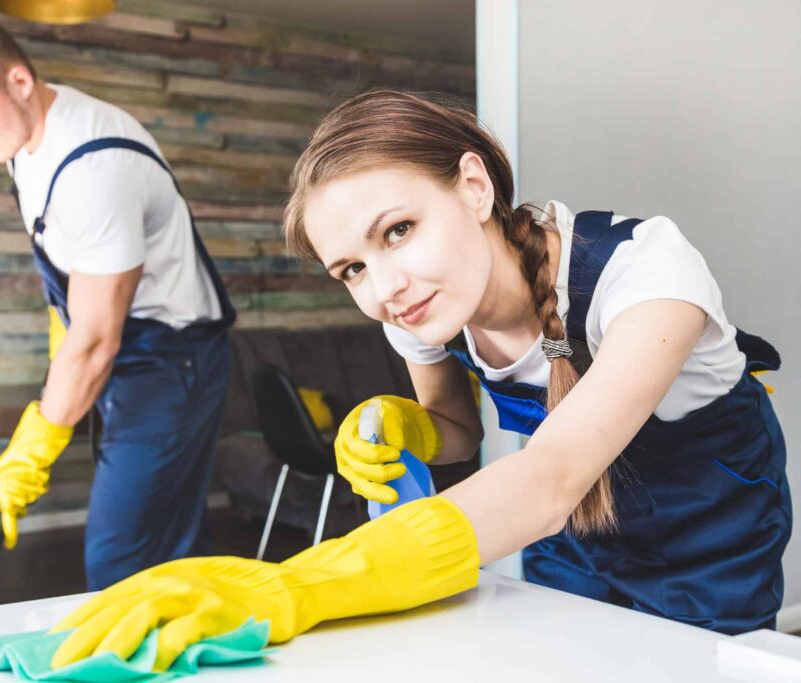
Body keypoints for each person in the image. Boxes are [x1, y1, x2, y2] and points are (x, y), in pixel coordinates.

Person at [40, 90, 792, 672]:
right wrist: (411, 424)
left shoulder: (646, 269)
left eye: (397, 230)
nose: (383, 286)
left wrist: (298, 585)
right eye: (352, 269)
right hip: (573, 541)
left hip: (708, 541)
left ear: (472, 185)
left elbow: (552, 473)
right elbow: (456, 427)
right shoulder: (419, 309)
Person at [0, 18, 236, 590]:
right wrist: (60, 364)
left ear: (19, 81)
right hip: (131, 353)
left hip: (172, 363)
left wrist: (39, 439)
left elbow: (94, 339)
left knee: (122, 556)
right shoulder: (24, 144)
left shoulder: (93, 165)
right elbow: (71, 295)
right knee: (170, 550)